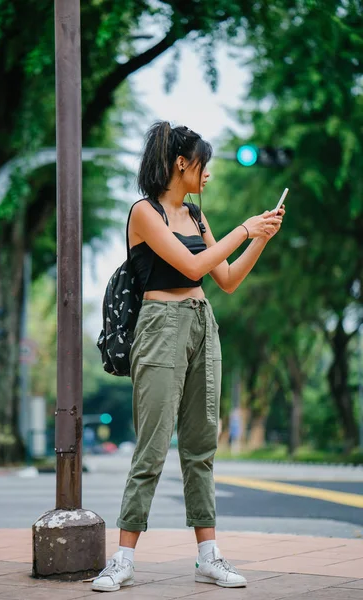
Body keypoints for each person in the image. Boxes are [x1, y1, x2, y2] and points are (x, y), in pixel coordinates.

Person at [91, 122, 285, 592]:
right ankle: (122, 558)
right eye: (204, 165)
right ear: (182, 163)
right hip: (159, 327)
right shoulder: (145, 212)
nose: (208, 175)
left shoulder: (197, 216)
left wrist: (261, 236)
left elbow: (226, 278)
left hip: (202, 323)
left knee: (201, 447)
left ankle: (207, 556)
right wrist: (245, 227)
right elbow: (192, 264)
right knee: (153, 447)